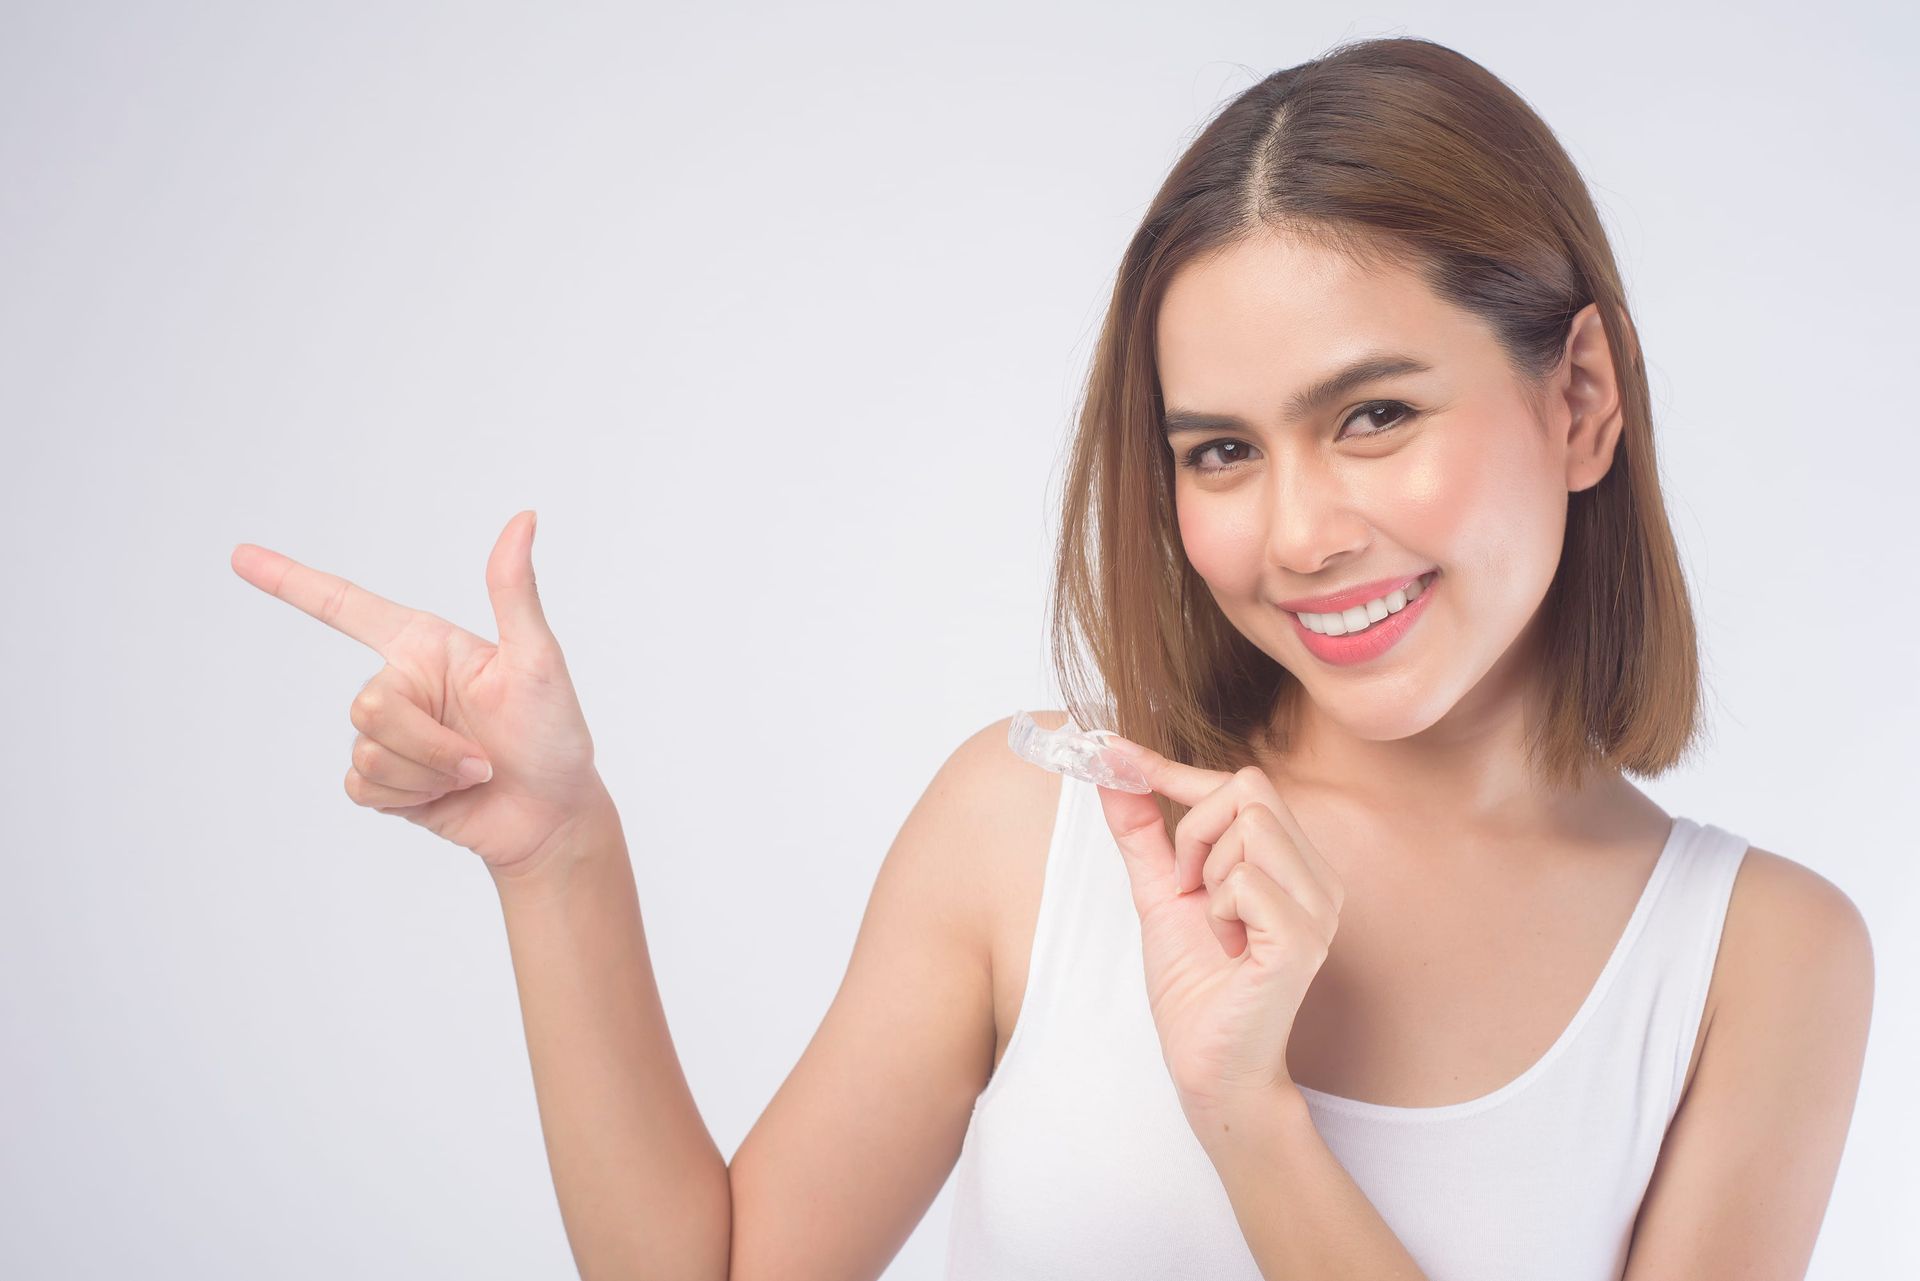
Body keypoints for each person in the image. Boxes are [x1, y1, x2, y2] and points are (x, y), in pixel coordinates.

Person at [232, 35, 1873, 1281]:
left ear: (1579, 397)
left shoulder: (1757, 961)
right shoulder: (1034, 827)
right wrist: (556, 857)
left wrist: (1251, 1115)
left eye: (1374, 413)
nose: (1297, 532)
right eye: (1220, 451)